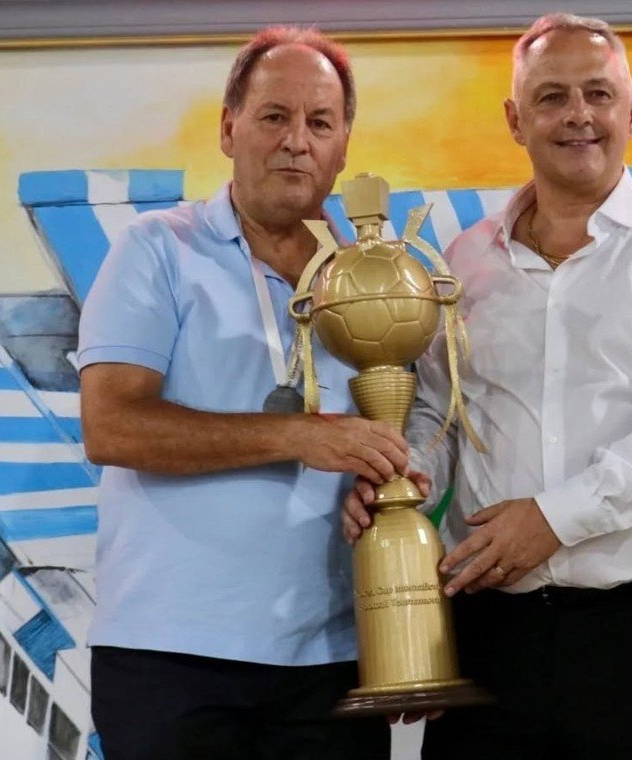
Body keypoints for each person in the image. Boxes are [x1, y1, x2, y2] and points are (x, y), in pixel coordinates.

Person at [342, 12, 632, 760]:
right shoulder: (464, 260)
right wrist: (401, 477)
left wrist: (555, 518)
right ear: (516, 119)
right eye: (551, 97)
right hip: (490, 631)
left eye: (599, 94)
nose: (579, 115)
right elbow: (443, 411)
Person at [78, 26, 410, 760]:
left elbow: (412, 431)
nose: (297, 140)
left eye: (319, 122)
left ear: (344, 145)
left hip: (331, 659)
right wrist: (298, 436)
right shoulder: (155, 248)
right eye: (274, 116)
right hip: (170, 655)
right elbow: (112, 427)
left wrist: (383, 476)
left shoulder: (373, 280)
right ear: (229, 128)